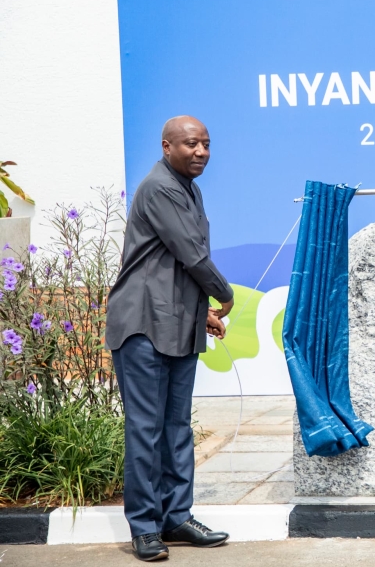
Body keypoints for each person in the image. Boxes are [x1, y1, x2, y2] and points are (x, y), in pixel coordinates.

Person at [106, 116, 234, 562]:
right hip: (141, 325)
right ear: (166, 146)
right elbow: (190, 253)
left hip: (178, 325)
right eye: (190, 144)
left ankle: (176, 517)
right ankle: (144, 527)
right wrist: (224, 293)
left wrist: (202, 317)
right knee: (146, 429)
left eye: (206, 143)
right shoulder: (159, 187)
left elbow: (175, 269)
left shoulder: (189, 189)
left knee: (177, 429)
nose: (200, 151)